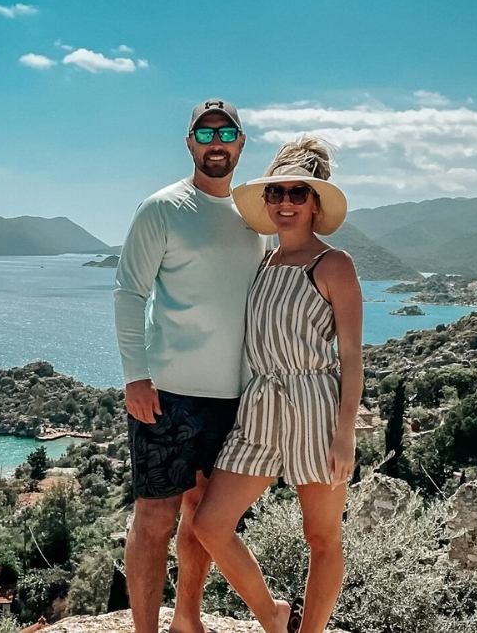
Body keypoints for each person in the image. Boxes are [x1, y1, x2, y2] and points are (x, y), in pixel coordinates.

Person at [192, 136, 364, 633]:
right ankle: (272, 614)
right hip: (261, 406)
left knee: (322, 537)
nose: (285, 202)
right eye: (277, 193)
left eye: (297, 193)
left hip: (315, 406)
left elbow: (351, 356)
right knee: (209, 523)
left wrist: (345, 431)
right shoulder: (262, 262)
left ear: (315, 203)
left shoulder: (334, 265)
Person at [114, 99, 267, 633]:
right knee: (154, 518)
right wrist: (136, 375)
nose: (216, 141)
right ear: (190, 144)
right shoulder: (162, 208)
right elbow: (129, 292)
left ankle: (187, 618)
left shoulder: (257, 219)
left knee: (203, 517)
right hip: (167, 393)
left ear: (242, 144)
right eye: (206, 133)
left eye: (227, 132)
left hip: (233, 396)